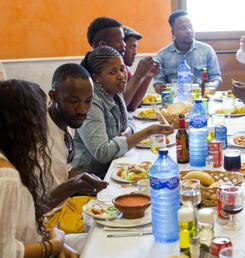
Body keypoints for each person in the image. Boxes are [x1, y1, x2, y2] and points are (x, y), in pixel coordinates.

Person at [0, 79, 78, 257]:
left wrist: (49, 239)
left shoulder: (13, 161)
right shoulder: (7, 179)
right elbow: (6, 252)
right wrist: (53, 245)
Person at [75, 46, 173, 178]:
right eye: (112, 72)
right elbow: (103, 153)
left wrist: (128, 132)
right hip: (92, 176)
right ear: (96, 77)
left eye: (122, 69)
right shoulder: (92, 102)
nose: (121, 76)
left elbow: (129, 120)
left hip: (114, 165)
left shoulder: (114, 92)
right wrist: (148, 131)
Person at [43, 63, 108, 234]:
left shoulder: (66, 123)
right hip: (47, 223)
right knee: (109, 236)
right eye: (74, 101)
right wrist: (72, 186)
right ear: (53, 96)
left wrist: (90, 180)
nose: (82, 110)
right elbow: (32, 206)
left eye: (88, 101)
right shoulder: (40, 136)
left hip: (66, 206)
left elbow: (63, 171)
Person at [86, 17, 160, 111]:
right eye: (120, 41)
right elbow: (118, 108)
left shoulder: (119, 68)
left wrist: (148, 76)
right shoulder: (89, 73)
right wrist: (138, 76)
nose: (124, 45)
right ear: (103, 44)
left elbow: (131, 106)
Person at [153, 10, 222, 94]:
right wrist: (160, 87)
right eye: (183, 28)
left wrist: (211, 86)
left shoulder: (207, 50)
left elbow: (215, 77)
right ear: (173, 32)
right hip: (174, 102)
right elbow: (158, 81)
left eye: (190, 26)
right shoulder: (162, 55)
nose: (189, 31)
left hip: (201, 100)